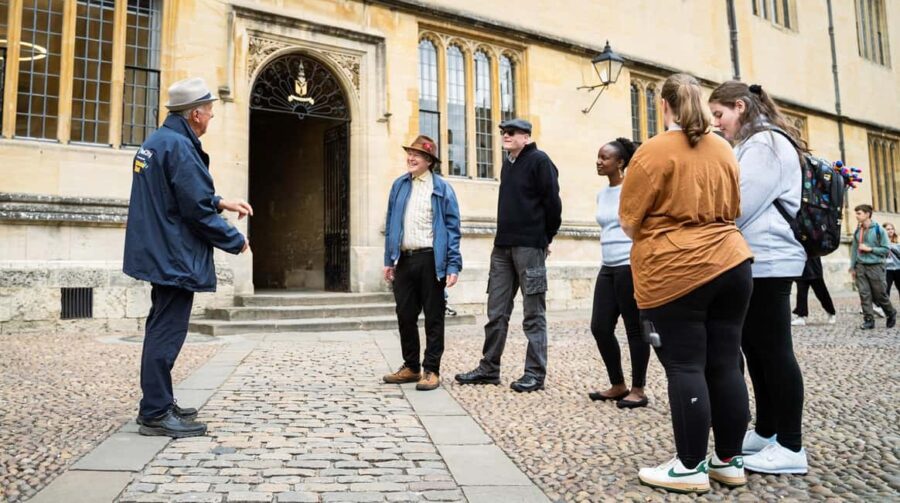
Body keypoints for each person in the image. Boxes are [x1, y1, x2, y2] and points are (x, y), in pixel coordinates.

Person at [621, 73, 754, 494]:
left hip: (677, 268)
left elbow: (629, 220)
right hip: (732, 261)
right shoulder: (724, 148)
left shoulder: (653, 150)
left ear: (664, 105)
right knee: (726, 362)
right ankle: (729, 461)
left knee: (685, 365)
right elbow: (735, 205)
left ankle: (690, 467)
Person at [124, 77, 251, 438]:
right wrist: (235, 240)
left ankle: (158, 402)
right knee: (166, 333)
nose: (211, 116)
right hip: (173, 255)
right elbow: (195, 209)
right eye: (209, 110)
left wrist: (221, 201)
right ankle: (155, 412)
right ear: (195, 114)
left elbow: (178, 192)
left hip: (160, 251)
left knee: (160, 328)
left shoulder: (158, 141)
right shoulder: (180, 146)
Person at [709, 81, 809, 475]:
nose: (717, 123)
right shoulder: (752, 143)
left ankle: (792, 446)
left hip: (770, 260)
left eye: (720, 115)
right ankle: (768, 431)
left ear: (740, 106)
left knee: (775, 351)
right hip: (754, 260)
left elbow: (739, 205)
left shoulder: (766, 144)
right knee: (756, 350)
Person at [455, 118, 562, 393]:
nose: (505, 135)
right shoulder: (508, 164)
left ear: (526, 137)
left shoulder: (540, 161)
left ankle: (534, 373)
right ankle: (489, 368)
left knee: (533, 313)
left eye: (512, 132)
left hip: (529, 247)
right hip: (502, 247)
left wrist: (545, 238)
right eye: (503, 132)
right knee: (496, 311)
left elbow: (553, 204)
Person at [382, 135, 462, 391]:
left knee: (433, 317)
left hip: (431, 259)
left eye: (416, 155)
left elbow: (453, 229)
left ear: (429, 160)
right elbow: (391, 222)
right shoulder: (399, 185)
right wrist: (389, 259)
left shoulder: (442, 188)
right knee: (405, 315)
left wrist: (453, 264)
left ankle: (431, 370)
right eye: (409, 153)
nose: (411, 158)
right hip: (405, 259)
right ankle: (411, 367)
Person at [587, 137, 650, 409]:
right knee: (600, 327)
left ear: (621, 162)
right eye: (599, 157)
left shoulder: (632, 190)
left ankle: (638, 389)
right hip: (608, 266)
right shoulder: (602, 194)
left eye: (605, 157)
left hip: (629, 265)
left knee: (634, 328)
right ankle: (618, 384)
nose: (599, 162)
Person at [849, 204, 897, 329]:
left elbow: (886, 249)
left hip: (876, 266)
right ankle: (869, 320)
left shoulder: (879, 230)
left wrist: (870, 249)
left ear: (867, 214)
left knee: (880, 294)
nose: (856, 216)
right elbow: (854, 250)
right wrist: (852, 267)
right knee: (864, 294)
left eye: (859, 213)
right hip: (860, 267)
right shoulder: (858, 231)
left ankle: (890, 312)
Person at [791, 257, 837, 326]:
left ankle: (831, 312)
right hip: (802, 268)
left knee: (821, 293)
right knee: (801, 293)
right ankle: (800, 316)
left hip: (814, 268)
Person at [884, 222, 900, 301]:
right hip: (887, 269)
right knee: (886, 290)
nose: (890, 231)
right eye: (888, 229)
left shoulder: (898, 242)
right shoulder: (881, 243)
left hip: (898, 268)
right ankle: (885, 307)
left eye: (892, 229)